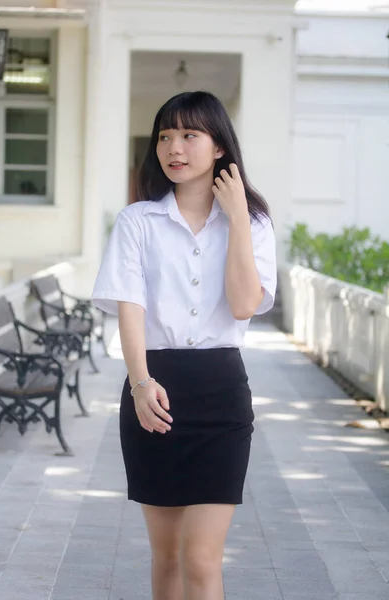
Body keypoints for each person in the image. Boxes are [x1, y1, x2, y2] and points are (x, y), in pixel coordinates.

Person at [91, 91, 277, 600]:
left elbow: (243, 305)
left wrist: (237, 217)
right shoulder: (137, 222)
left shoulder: (255, 225)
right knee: (168, 557)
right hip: (156, 392)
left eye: (190, 135)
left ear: (219, 148)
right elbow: (130, 307)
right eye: (165, 136)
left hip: (221, 394)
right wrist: (140, 384)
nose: (174, 147)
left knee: (200, 559)